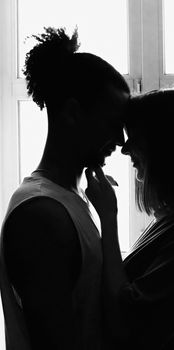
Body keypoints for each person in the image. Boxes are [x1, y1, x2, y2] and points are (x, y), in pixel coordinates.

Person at [0, 27, 130, 350]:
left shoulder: (72, 199)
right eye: (112, 124)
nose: (121, 141)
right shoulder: (41, 216)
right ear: (72, 114)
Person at [85, 88, 174, 350]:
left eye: (136, 137)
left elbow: (127, 327)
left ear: (167, 145)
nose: (125, 148)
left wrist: (109, 219)